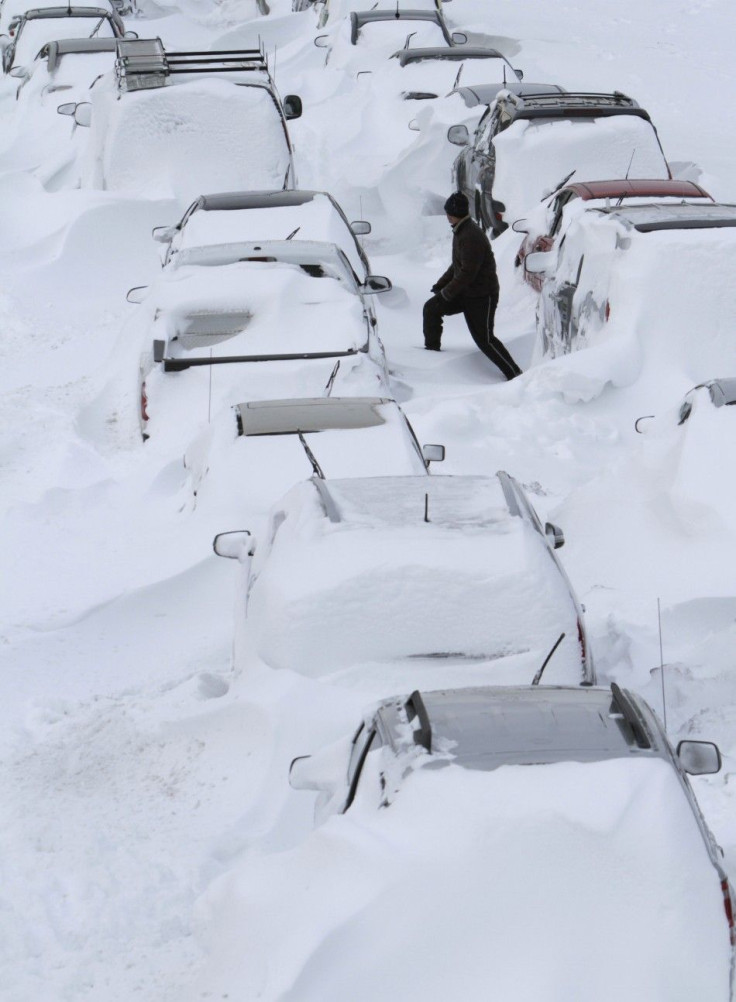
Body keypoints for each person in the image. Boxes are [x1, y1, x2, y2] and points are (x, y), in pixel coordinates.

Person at [423, 192, 522, 380]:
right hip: (466, 292)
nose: (446, 217)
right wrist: (441, 285)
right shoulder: (461, 230)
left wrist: (446, 293)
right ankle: (431, 353)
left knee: (485, 340)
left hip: (482, 296)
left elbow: (467, 273)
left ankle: (515, 374)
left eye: (448, 214)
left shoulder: (470, 236)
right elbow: (457, 265)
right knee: (431, 308)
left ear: (453, 214)